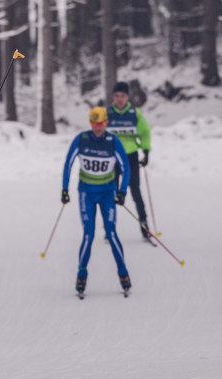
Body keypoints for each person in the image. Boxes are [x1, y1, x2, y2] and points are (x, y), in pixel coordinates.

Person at [61, 107, 132, 297]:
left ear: (106, 123)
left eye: (100, 124)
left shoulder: (112, 141)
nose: (97, 128)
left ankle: (123, 272)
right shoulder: (82, 139)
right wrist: (65, 189)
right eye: (94, 124)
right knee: (88, 234)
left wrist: (122, 191)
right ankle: (81, 274)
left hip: (107, 193)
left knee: (111, 232)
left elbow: (126, 167)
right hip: (86, 193)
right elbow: (68, 164)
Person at [107, 81, 153, 240]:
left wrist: (146, 151)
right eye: (117, 96)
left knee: (135, 191)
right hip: (112, 158)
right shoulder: (107, 113)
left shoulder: (135, 113)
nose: (119, 99)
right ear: (113, 97)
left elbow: (144, 133)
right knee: (111, 193)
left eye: (123, 96)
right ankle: (109, 227)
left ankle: (144, 226)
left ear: (127, 97)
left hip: (130, 156)